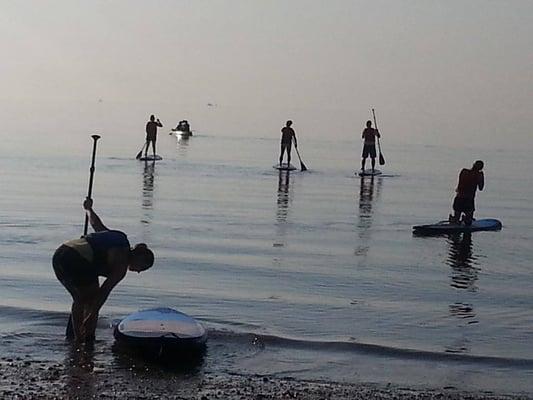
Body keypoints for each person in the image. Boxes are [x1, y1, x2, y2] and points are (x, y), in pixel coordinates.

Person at [52, 198, 154, 343]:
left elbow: (96, 224)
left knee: (81, 298)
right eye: (141, 268)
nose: (138, 272)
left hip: (60, 254)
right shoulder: (121, 265)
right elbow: (104, 293)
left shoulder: (119, 237)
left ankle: (76, 339)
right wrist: (92, 314)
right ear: (138, 258)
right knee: (89, 299)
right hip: (78, 258)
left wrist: (89, 209)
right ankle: (82, 340)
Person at [449, 160, 485, 225]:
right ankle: (465, 219)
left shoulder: (464, 171)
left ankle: (455, 219)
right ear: (481, 168)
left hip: (459, 197)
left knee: (457, 217)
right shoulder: (478, 175)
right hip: (468, 199)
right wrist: (482, 177)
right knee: (468, 222)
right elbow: (481, 188)